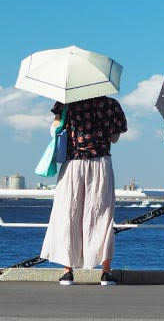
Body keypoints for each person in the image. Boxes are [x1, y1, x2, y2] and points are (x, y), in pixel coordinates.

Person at [40, 96, 127, 286]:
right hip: (101, 162)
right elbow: (115, 138)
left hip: (73, 163)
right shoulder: (110, 104)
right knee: (102, 216)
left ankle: (67, 271)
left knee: (68, 214)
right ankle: (105, 272)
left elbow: (54, 130)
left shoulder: (65, 102)